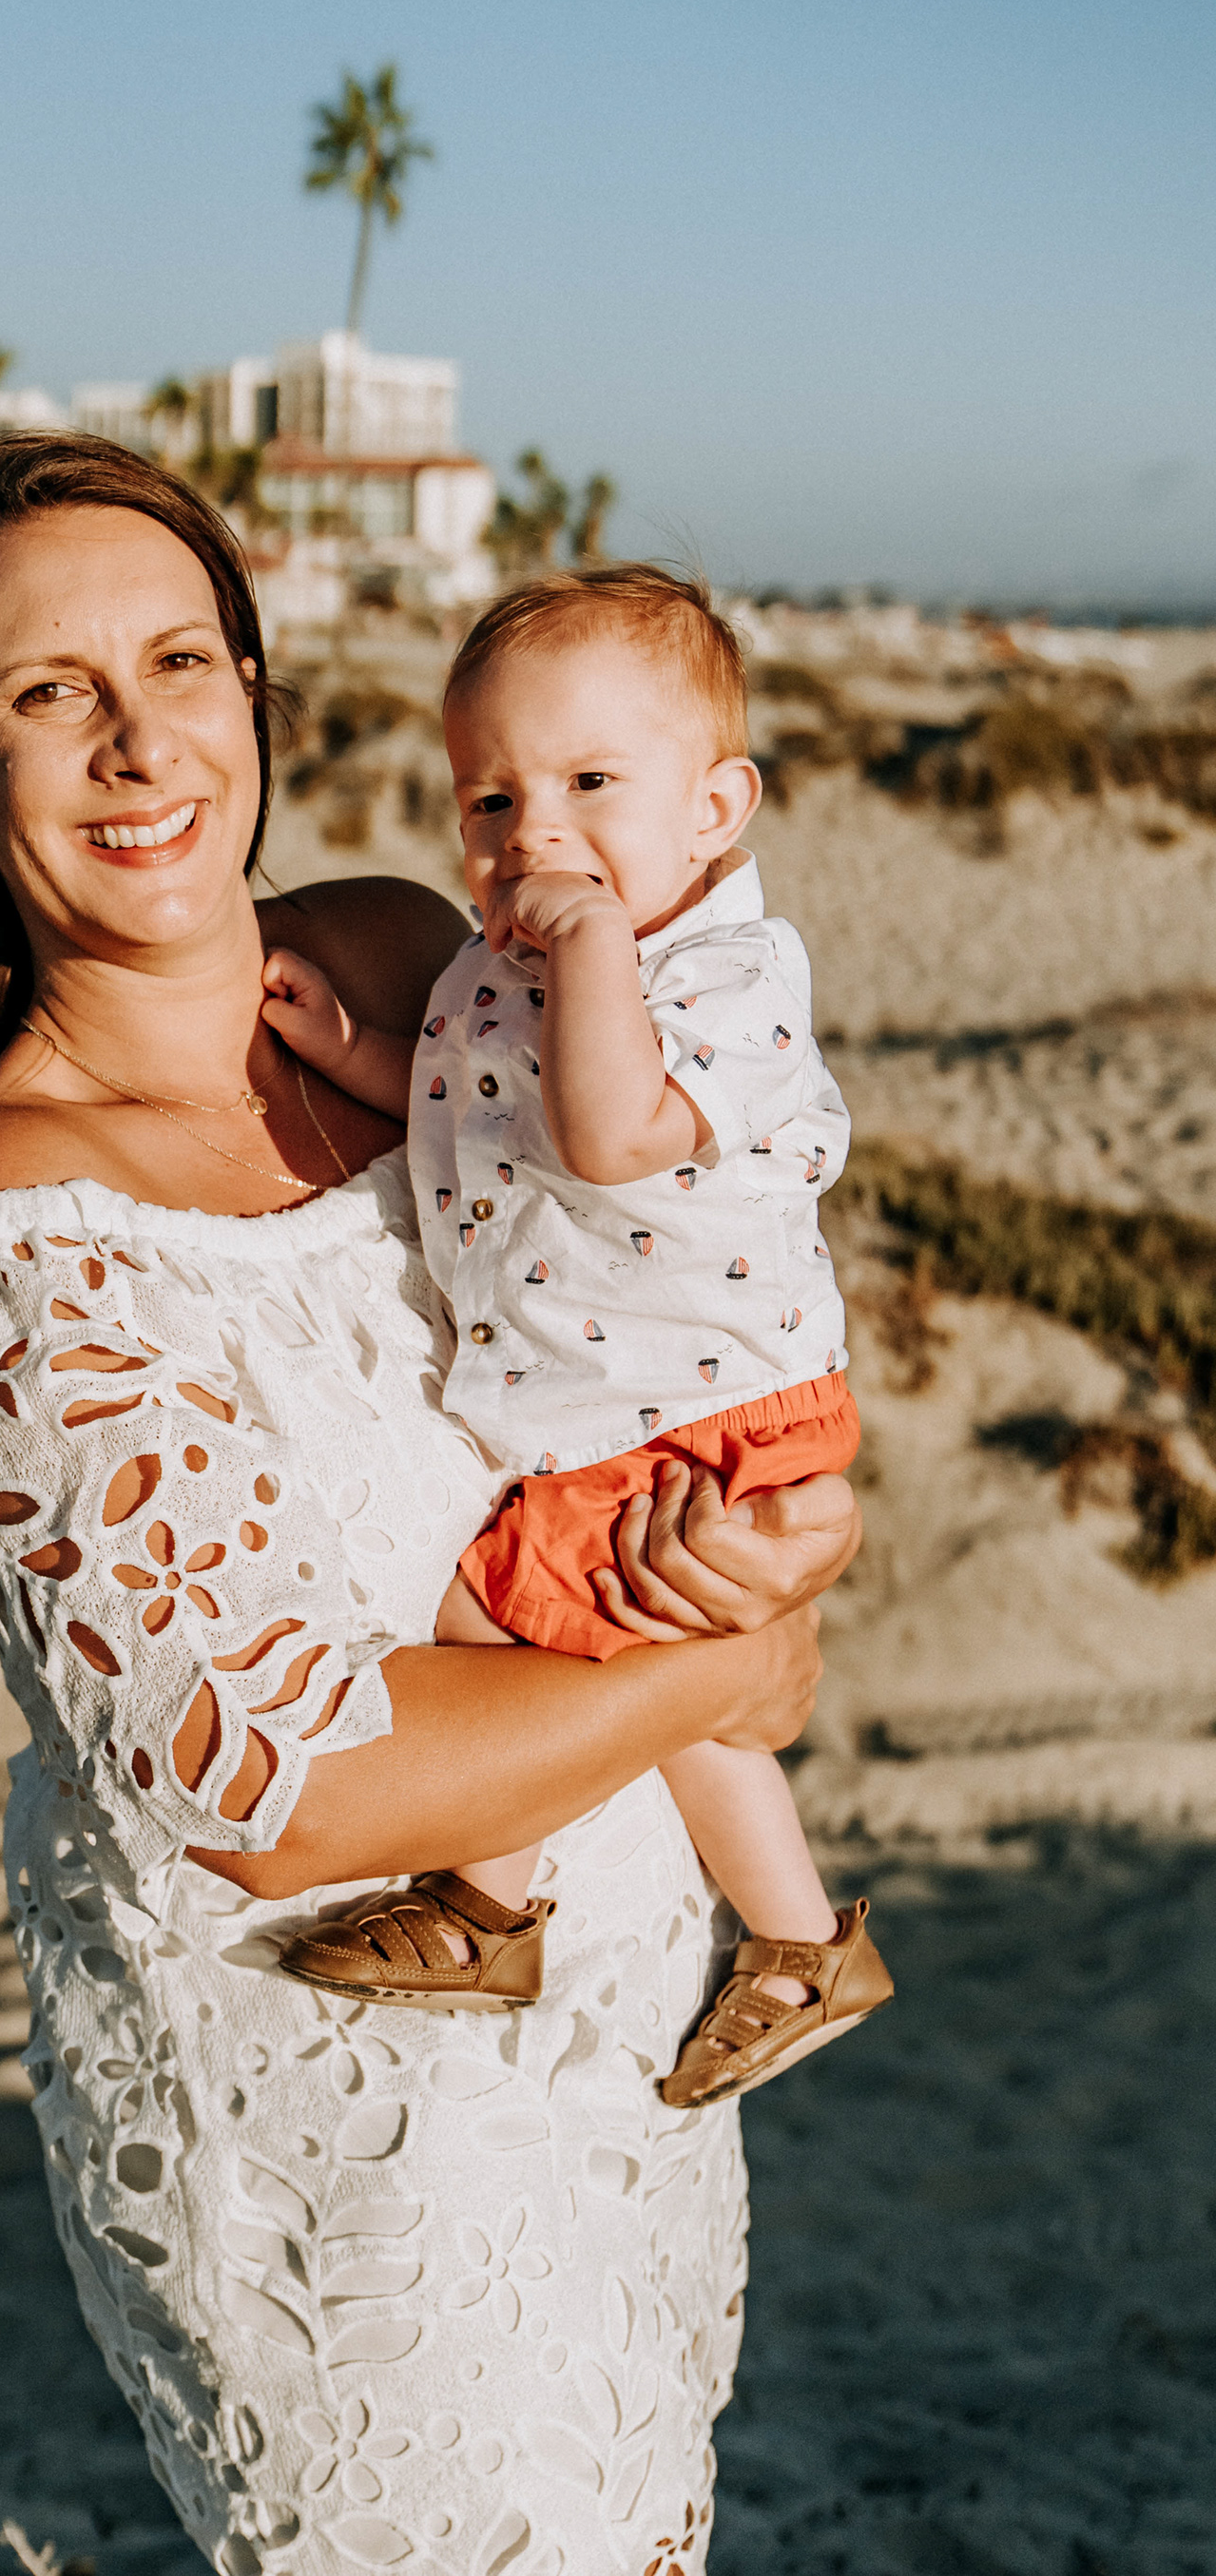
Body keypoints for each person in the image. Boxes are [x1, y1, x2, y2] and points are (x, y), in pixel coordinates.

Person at [0, 434, 861, 2575]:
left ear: (254, 694)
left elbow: (657, 1310)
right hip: (346, 2125)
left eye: (181, 660)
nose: (139, 737)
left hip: (620, 2030)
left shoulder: (417, 956)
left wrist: (781, 1556)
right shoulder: (15, 1227)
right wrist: (711, 1669)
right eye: (50, 692)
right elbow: (277, 1783)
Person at [261, 567, 892, 2105]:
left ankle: (499, 1909)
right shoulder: (509, 965)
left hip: (706, 1406)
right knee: (635, 1656)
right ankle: (789, 1943)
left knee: (505, 1623)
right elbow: (462, 1096)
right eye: (491, 800)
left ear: (715, 808)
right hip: (633, 1406)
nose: (532, 833)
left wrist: (596, 947)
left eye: (591, 784)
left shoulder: (729, 981)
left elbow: (609, 1135)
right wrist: (349, 1044)